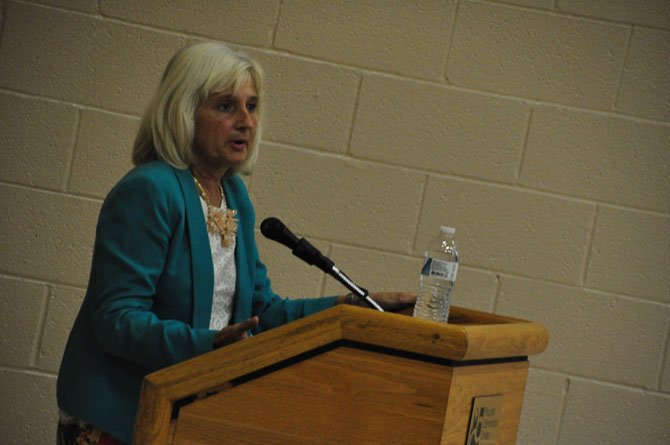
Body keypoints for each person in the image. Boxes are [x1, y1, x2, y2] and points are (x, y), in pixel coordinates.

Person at [56, 41, 415, 445]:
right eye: (226, 106)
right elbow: (117, 322)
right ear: (184, 110)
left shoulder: (233, 194)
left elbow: (260, 310)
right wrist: (209, 346)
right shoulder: (149, 191)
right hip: (120, 419)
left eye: (252, 106)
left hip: (189, 413)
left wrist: (348, 310)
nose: (245, 121)